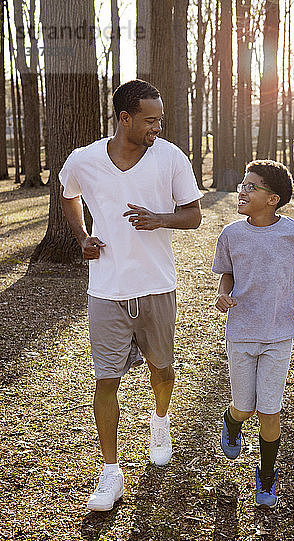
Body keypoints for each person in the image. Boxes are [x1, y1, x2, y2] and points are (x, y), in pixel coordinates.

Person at [59, 79, 202, 511]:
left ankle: (160, 422)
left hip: (157, 285)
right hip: (106, 289)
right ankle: (110, 471)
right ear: (125, 118)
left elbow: (194, 216)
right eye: (150, 120)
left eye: (160, 119)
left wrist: (160, 219)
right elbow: (69, 195)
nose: (158, 127)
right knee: (106, 379)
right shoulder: (84, 160)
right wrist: (82, 235)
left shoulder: (170, 157)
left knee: (163, 369)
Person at [212, 159, 294, 507]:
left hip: (279, 335)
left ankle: (266, 475)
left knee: (270, 410)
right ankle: (232, 422)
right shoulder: (231, 234)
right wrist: (222, 293)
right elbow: (226, 274)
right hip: (242, 333)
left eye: (251, 186)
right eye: (242, 185)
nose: (241, 191)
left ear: (272, 198)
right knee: (245, 407)